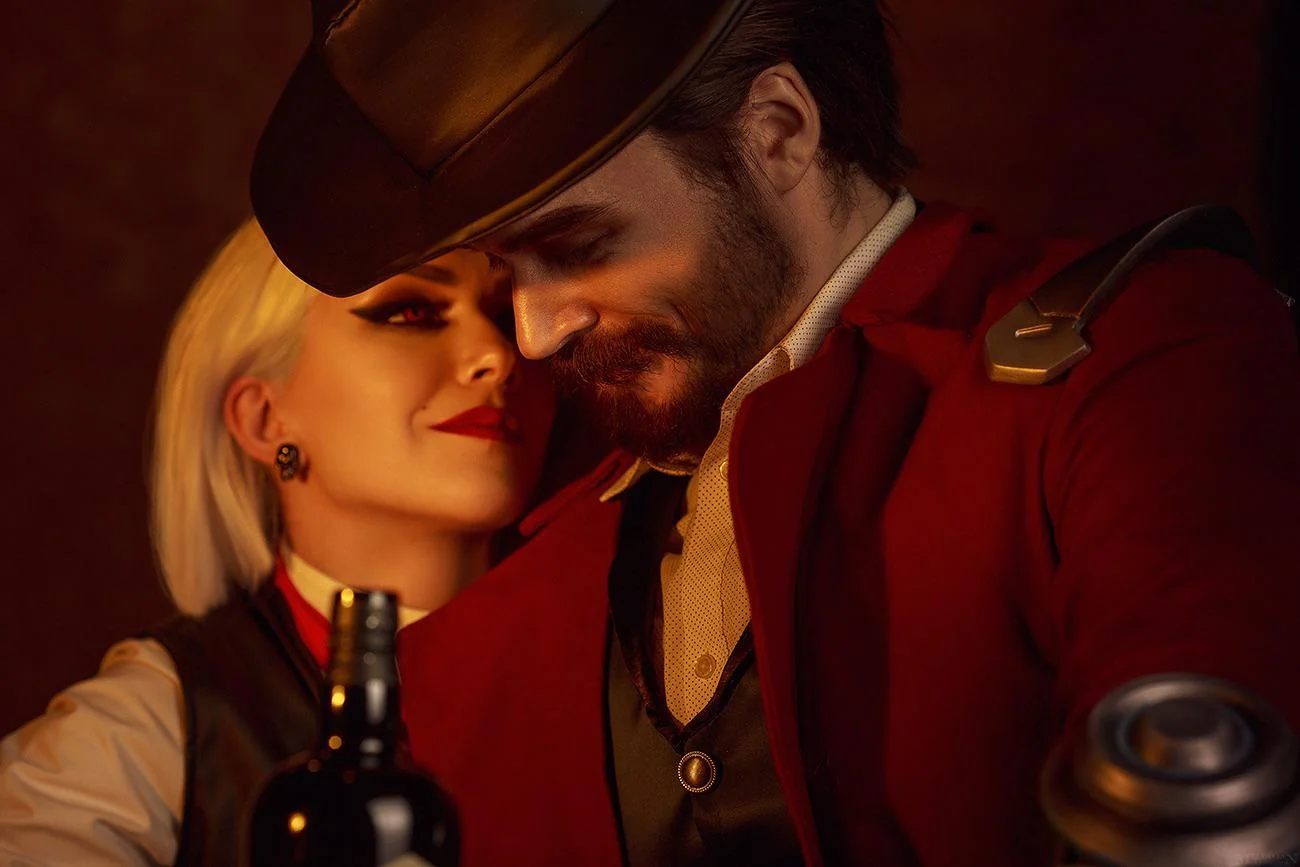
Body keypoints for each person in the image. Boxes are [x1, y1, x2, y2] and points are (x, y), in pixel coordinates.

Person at [248, 0, 1300, 864]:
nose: (533, 332)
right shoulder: (511, 597)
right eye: (505, 270)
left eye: (576, 245)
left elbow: (1209, 787)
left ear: (780, 131)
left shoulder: (1127, 356)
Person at [0, 218, 556, 865]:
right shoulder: (157, 730)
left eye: (507, 315)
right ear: (265, 418)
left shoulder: (630, 673)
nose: (499, 354)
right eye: (411, 312)